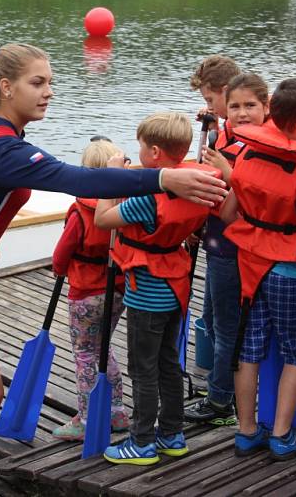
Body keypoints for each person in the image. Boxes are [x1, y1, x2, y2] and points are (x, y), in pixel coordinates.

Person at [0, 43, 228, 496]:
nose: (49, 92)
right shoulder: (3, 151)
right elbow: (78, 180)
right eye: (38, 83)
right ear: (5, 87)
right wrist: (162, 178)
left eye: (50, 82)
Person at [94, 112, 217, 465]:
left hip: (147, 295)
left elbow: (103, 219)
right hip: (175, 289)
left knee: (142, 368)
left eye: (142, 148)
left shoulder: (149, 199)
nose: (140, 152)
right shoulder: (195, 186)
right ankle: (172, 434)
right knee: (168, 365)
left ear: (157, 153)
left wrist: (111, 177)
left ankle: (142, 440)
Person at [220, 78, 296, 460]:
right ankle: (281, 434)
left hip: (250, 265)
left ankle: (247, 431)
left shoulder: (246, 156)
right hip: (291, 273)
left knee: (248, 349)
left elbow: (228, 212)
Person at [186, 73, 270, 426]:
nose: (241, 112)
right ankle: (229, 390)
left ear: (266, 107)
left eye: (250, 106)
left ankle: (221, 400)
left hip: (236, 252)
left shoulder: (262, 150)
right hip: (220, 246)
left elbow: (255, 197)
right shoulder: (229, 140)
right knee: (223, 323)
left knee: (228, 328)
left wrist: (225, 169)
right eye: (234, 106)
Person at [50, 137, 129, 441]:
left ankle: (86, 417)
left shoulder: (80, 211)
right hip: (118, 289)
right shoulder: (126, 205)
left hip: (85, 293)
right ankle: (118, 411)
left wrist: (59, 269)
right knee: (104, 347)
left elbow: (62, 253)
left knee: (84, 353)